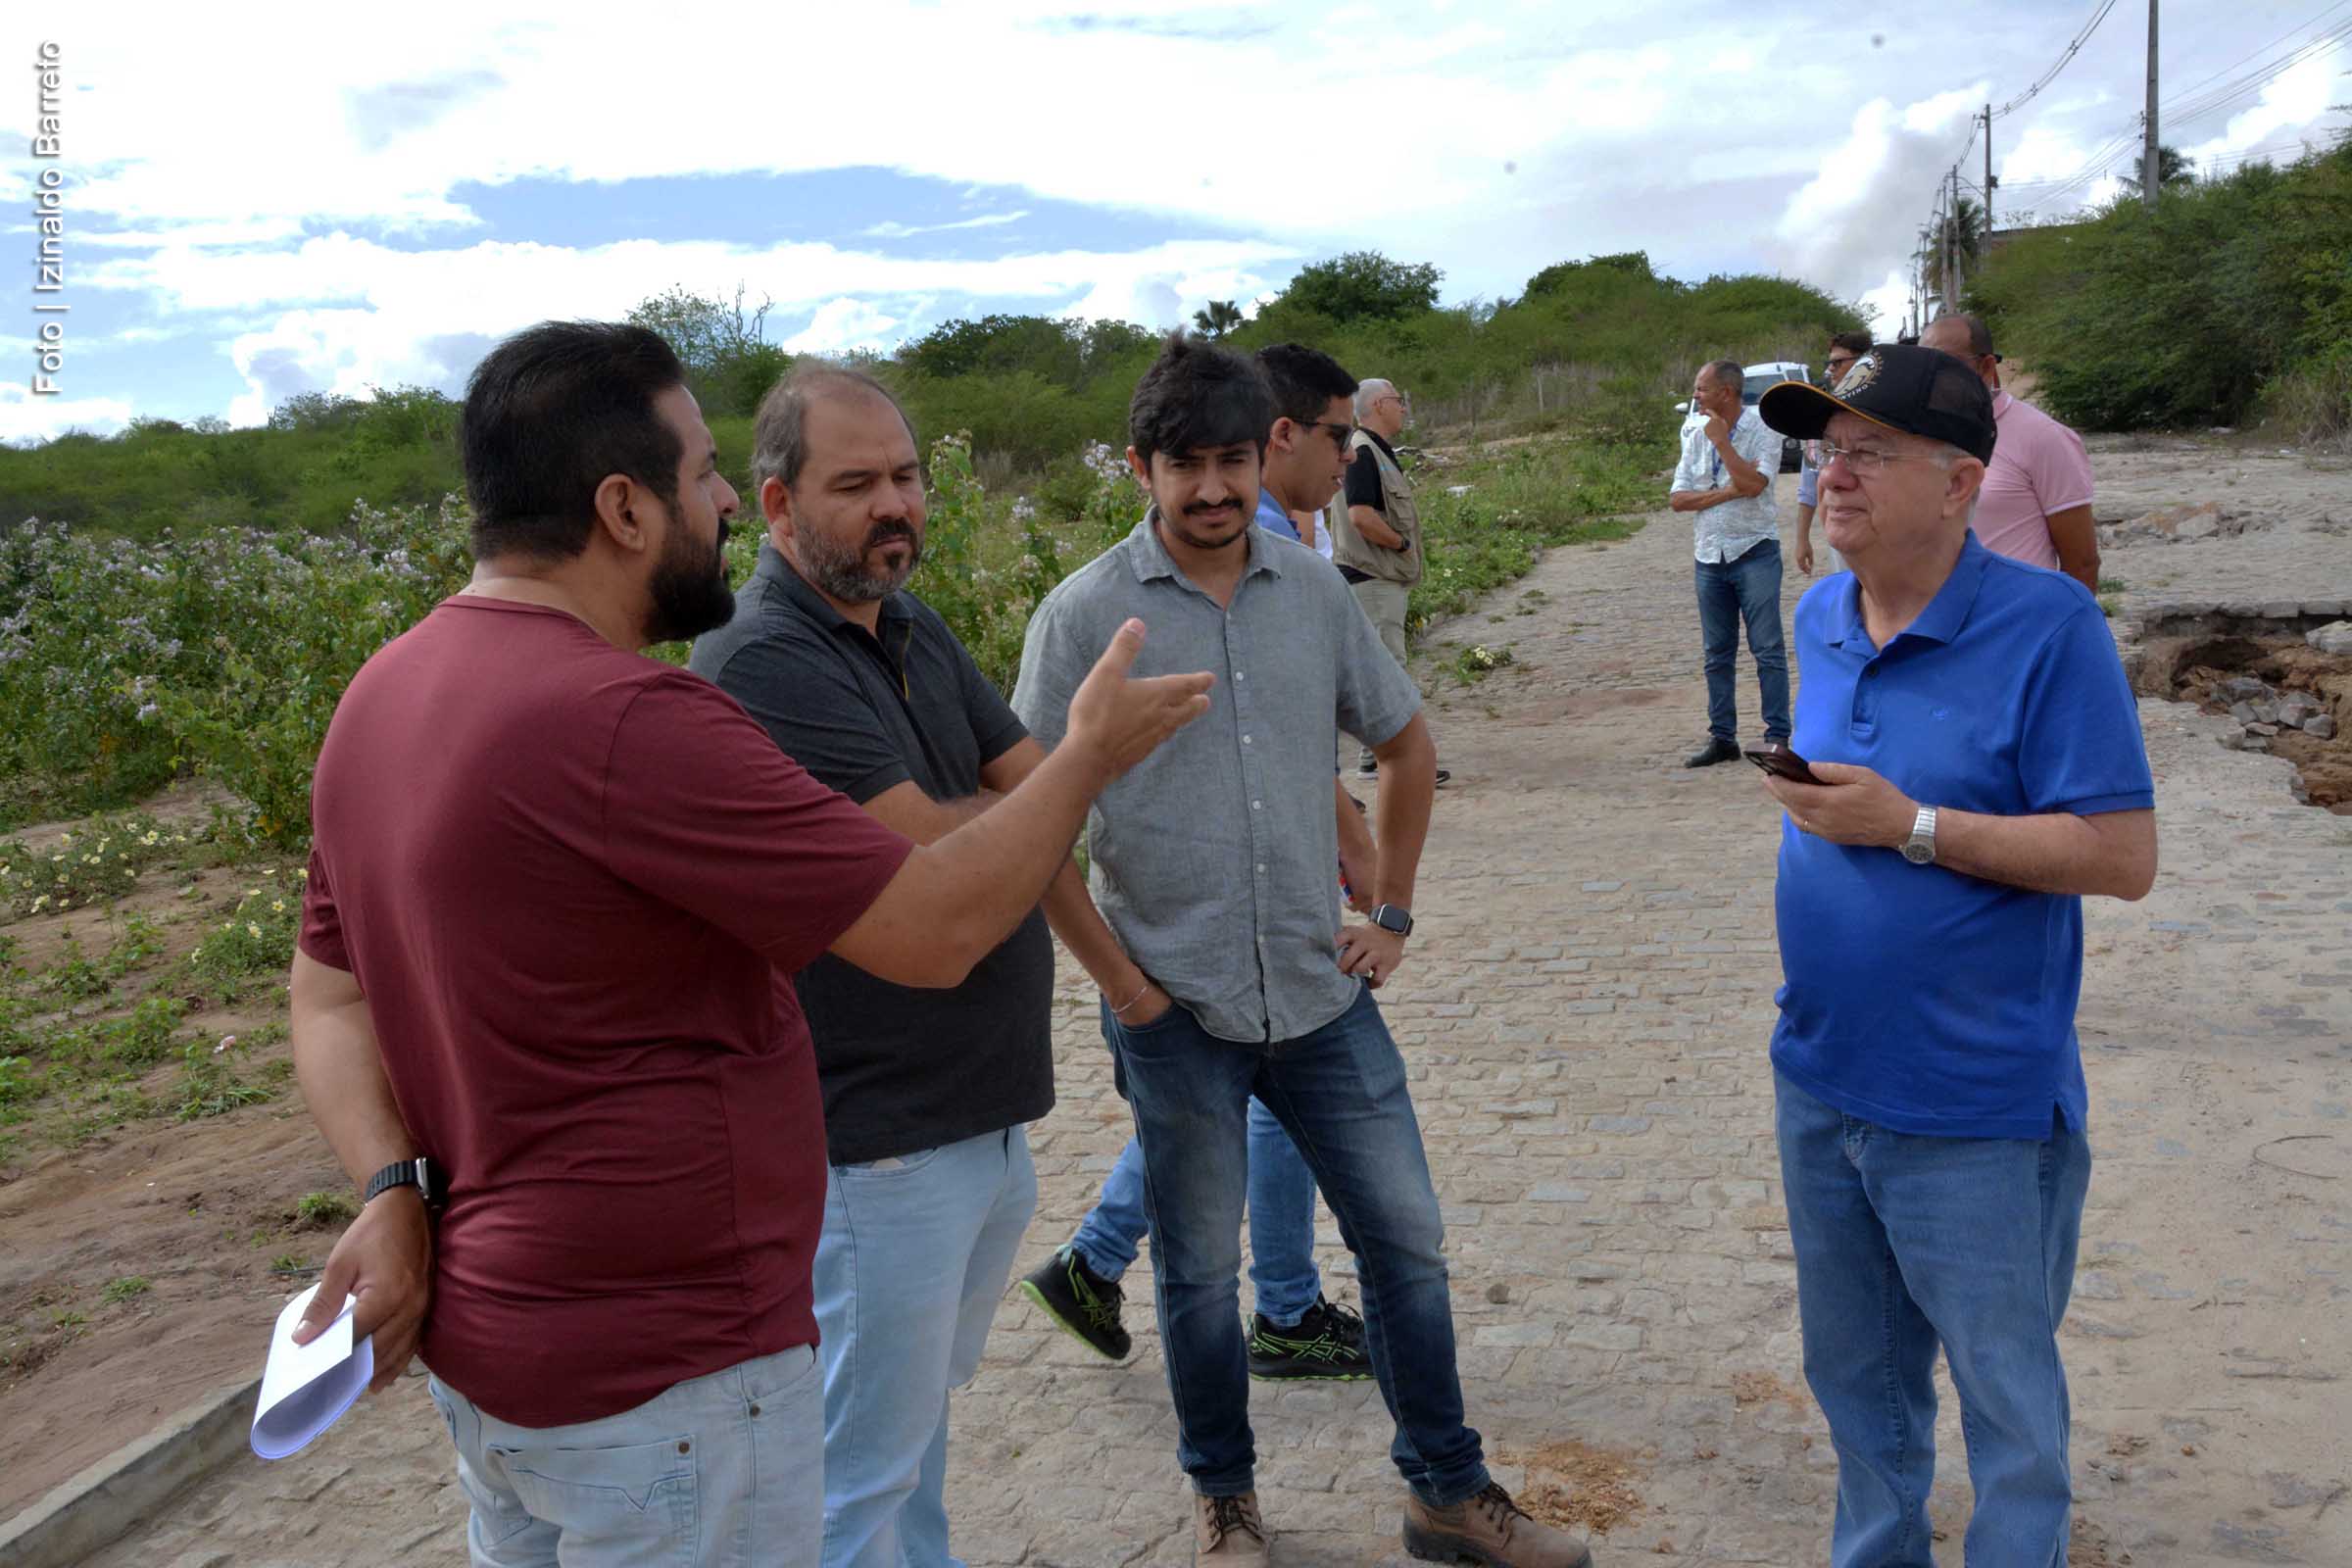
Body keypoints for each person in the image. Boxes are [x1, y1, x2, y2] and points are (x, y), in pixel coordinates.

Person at [286, 321, 1211, 1568]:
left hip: (504, 1365)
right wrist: (1088, 753)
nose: (724, 499)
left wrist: (393, 1187)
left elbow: (329, 1004)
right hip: (669, 1389)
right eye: (704, 470)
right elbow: (933, 928)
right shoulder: (633, 718)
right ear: (623, 507)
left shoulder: (378, 697)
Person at [1012, 332, 1590, 1568]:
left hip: (1324, 997)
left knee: (1409, 1246)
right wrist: (1119, 982)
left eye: (1231, 459)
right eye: (1185, 465)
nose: (1213, 488)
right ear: (1139, 468)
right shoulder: (1081, 620)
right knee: (1196, 1277)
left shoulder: (1313, 591)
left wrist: (1392, 914)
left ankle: (1448, 1489)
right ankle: (1225, 1503)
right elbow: (1029, 825)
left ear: (1255, 454)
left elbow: (1408, 743)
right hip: (1177, 1011)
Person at [1755, 345, 2157, 1566]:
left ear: (1961, 480)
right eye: (1828, 453)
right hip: (1822, 1077)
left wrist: (1914, 827)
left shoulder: (2050, 629)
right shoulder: (1820, 614)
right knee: (1860, 1387)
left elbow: (2121, 854)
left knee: (2005, 1396)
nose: (1836, 478)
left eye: (1870, 453)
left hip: (1973, 1098)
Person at [685, 365, 1063, 1567]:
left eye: (906, 476)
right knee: (853, 1482)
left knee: (909, 1458)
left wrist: (1059, 796)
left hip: (975, 1117)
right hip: (876, 1143)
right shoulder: (761, 662)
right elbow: (945, 859)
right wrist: (1082, 768)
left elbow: (1028, 790)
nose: (894, 504)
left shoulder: (906, 619)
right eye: (857, 485)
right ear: (778, 502)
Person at [1017, 344, 1386, 1387]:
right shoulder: (1185, 565)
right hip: (1196, 930)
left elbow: (1271, 733)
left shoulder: (1288, 562)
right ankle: (1273, 1307)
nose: (1344, 455)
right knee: (1235, 1111)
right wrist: (1125, 986)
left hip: (1269, 925)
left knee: (1234, 1111)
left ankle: (1165, 1277)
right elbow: (1041, 802)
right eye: (1336, 434)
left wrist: (1351, 839)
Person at [1919, 313, 2100, 591]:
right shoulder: (1920, 434)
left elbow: (2082, 562)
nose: (1932, 377)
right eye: (1924, 365)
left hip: (2018, 623)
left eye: (1945, 365)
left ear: (1986, 366)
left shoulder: (2044, 437)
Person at [1670, 358, 1789, 767]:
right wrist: (1727, 491)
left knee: (1768, 649)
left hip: (1754, 549)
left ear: (1726, 392)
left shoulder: (1763, 429)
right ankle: (1723, 738)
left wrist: (1724, 444)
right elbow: (1677, 499)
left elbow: (1757, 486)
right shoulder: (1695, 434)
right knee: (1716, 653)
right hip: (1709, 554)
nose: (1696, 395)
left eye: (1701, 389)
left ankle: (1777, 737)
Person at [1330, 377, 1448, 786]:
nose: (1403, 408)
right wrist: (1399, 544)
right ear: (1379, 405)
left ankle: (1374, 755)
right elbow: (1361, 514)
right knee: (1388, 668)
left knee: (1382, 666)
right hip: (1373, 578)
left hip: (1377, 578)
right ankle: (1390, 759)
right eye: (1399, 401)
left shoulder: (1373, 450)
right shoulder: (1363, 452)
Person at [1792, 330, 1873, 577]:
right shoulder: (1820, 417)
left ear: (1865, 363)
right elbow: (1809, 483)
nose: (1831, 371)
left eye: (1838, 363)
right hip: (1841, 535)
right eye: (1829, 364)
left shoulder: (1888, 417)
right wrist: (1802, 538)